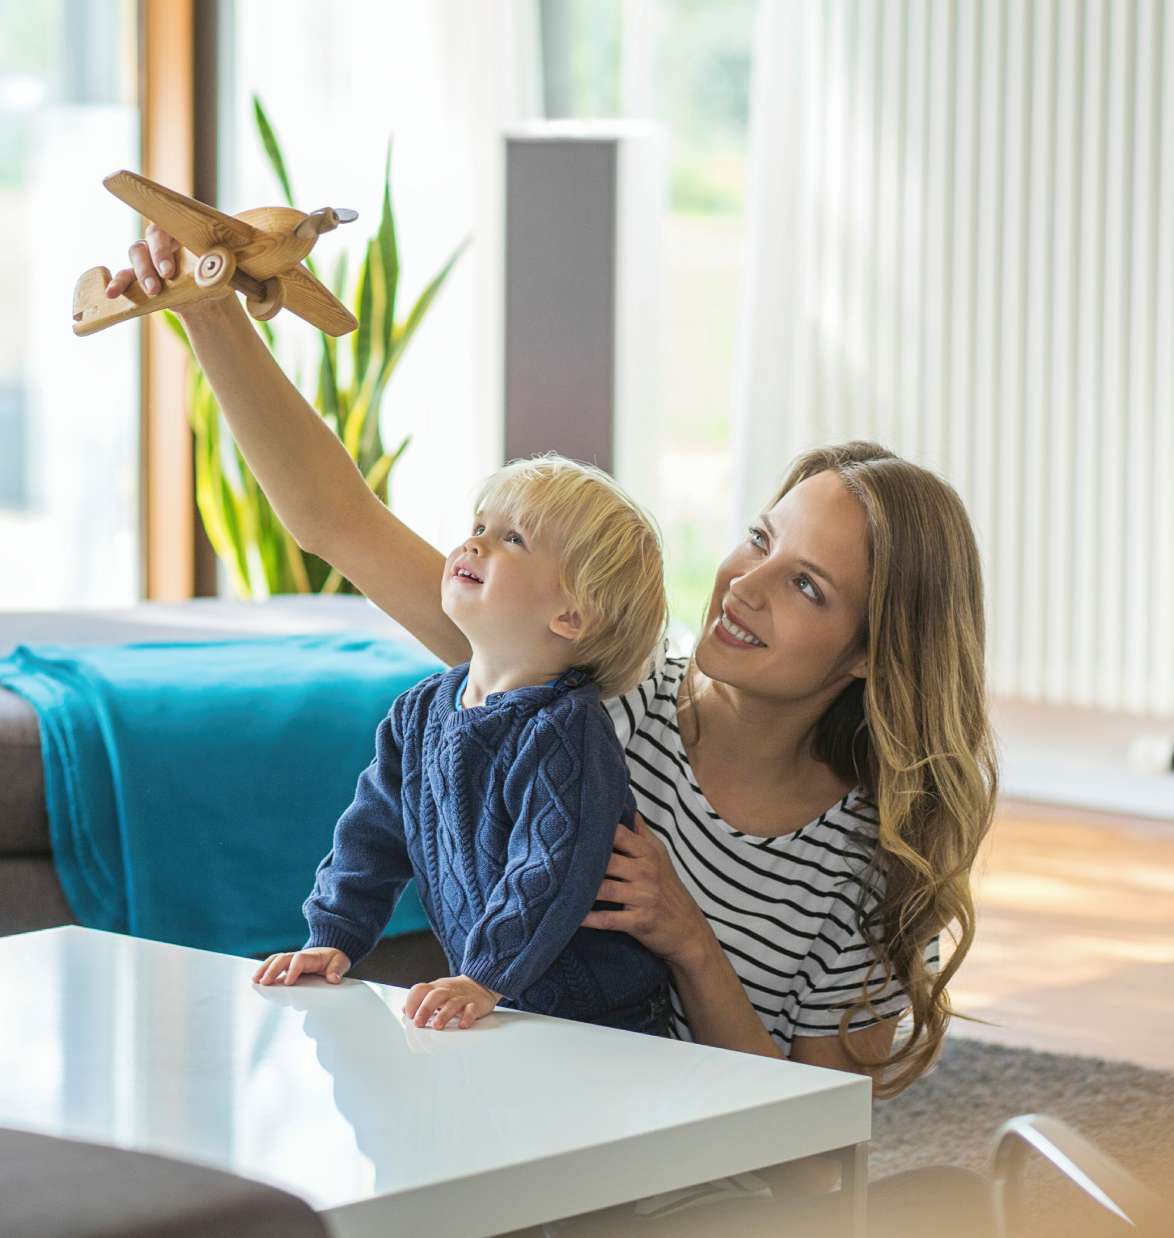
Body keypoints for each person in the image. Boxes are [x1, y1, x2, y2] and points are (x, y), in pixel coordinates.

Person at [109, 231, 996, 1101]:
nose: (744, 584)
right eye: (758, 539)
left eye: (805, 584)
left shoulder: (866, 871)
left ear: (873, 656)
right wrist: (211, 309)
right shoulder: (591, 685)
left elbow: (814, 1147)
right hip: (525, 1135)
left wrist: (690, 942)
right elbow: (338, 519)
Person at [253, 454, 673, 1036]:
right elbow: (371, 836)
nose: (475, 546)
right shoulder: (420, 712)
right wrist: (334, 937)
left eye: (512, 539)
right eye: (478, 528)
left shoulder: (565, 732)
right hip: (503, 1005)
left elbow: (547, 873)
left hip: (600, 1022)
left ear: (572, 615)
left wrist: (484, 976)